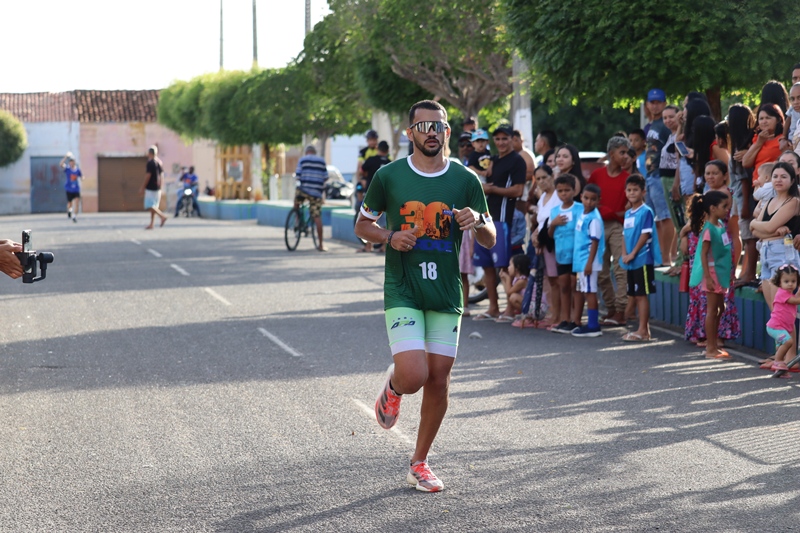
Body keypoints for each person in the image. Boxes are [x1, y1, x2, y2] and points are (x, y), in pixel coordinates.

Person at [354, 100, 495, 493]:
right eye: (424, 126)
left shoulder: (465, 179)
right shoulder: (389, 176)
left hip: (446, 291)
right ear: (410, 133)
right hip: (404, 287)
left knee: (439, 378)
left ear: (447, 132)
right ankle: (395, 386)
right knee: (415, 375)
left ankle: (419, 462)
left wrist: (476, 222)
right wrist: (389, 235)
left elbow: (490, 236)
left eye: (439, 126)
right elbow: (362, 225)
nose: (432, 132)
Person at [471, 125, 526, 320]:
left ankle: (510, 309)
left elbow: (518, 190)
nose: (501, 142)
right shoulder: (492, 160)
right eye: (498, 139)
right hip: (483, 219)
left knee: (504, 267)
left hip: (502, 221)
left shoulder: (517, 161)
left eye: (505, 138)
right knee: (486, 267)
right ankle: (493, 308)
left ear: (512, 139)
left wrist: (492, 190)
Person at [588, 136, 631, 326]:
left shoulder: (627, 178)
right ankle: (611, 308)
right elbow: (588, 199)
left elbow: (631, 206)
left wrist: (612, 212)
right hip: (597, 225)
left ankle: (621, 311)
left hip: (617, 226)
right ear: (611, 154)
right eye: (622, 152)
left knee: (620, 269)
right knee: (601, 270)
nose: (625, 156)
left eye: (627, 153)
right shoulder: (597, 175)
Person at [687, 190, 732, 359]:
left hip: (721, 272)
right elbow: (703, 254)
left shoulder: (720, 225)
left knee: (721, 308)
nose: (727, 210)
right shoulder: (708, 230)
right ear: (713, 208)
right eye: (724, 206)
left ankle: (714, 344)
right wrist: (707, 277)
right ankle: (710, 347)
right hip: (713, 274)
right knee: (712, 310)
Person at [620, 174, 661, 342]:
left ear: (643, 192)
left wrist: (633, 253)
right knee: (635, 295)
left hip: (642, 259)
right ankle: (643, 330)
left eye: (635, 190)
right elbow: (624, 235)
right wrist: (624, 253)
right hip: (631, 261)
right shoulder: (628, 213)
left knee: (641, 295)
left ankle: (643, 330)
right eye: (629, 190)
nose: (632, 193)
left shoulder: (646, 211)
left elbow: (645, 235)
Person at [548, 174, 583, 333]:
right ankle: (565, 319)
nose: (563, 194)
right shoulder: (554, 211)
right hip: (561, 255)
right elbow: (550, 235)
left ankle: (577, 320)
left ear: (574, 191)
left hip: (577, 255)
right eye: (560, 191)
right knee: (564, 286)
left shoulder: (579, 209)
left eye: (567, 190)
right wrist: (553, 224)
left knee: (575, 286)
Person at [727, 104, 758, 287]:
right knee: (747, 236)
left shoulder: (741, 147)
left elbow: (745, 180)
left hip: (745, 199)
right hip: (740, 198)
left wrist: (745, 205)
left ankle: (750, 273)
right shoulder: (743, 144)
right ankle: (746, 271)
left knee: (749, 237)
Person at [571, 183, 605, 337]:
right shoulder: (582, 214)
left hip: (588, 261)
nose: (589, 202)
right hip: (581, 261)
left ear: (598, 200)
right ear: (581, 197)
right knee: (586, 291)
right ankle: (590, 324)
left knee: (590, 292)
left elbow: (595, 242)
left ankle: (593, 326)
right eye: (586, 198)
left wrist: (589, 263)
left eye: (593, 199)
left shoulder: (594, 219)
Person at [763, 265, 800, 376]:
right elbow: (796, 301)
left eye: (793, 281)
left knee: (781, 347)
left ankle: (781, 370)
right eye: (786, 281)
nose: (790, 284)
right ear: (779, 283)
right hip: (776, 327)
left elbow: (796, 297)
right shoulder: (782, 294)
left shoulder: (789, 294)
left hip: (782, 327)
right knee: (788, 342)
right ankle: (778, 362)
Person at [356, 141, 392, 253]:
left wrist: (363, 179)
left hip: (372, 195)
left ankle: (369, 246)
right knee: (385, 222)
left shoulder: (371, 160)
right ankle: (384, 247)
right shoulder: (390, 162)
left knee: (369, 220)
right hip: (386, 195)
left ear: (378, 149)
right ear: (387, 151)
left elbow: (361, 171)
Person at [295, 145, 328, 252]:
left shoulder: (303, 160)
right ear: (314, 152)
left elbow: (298, 176)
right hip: (316, 193)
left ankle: (297, 220)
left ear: (306, 152)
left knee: (296, 202)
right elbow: (326, 177)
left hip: (303, 191)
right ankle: (321, 244)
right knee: (317, 216)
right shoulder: (321, 161)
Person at [742, 103, 785, 180]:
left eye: (768, 118)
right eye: (761, 119)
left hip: (773, 182)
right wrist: (759, 142)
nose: (764, 121)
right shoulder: (758, 138)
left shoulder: (783, 139)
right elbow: (745, 163)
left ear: (778, 119)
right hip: (757, 183)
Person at [140, 146, 168, 229]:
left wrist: (143, 187)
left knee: (149, 205)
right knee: (154, 206)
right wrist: (161, 186)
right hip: (157, 187)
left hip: (151, 187)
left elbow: (148, 175)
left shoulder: (150, 163)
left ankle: (162, 216)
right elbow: (162, 175)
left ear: (150, 153)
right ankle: (152, 224)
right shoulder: (159, 162)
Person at [497, 253, 530, 321]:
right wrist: (503, 279)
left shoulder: (522, 280)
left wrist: (508, 278)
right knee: (512, 297)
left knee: (514, 297)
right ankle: (527, 316)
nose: (508, 268)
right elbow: (508, 291)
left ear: (517, 268)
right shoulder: (517, 279)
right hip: (531, 306)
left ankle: (528, 317)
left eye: (510, 265)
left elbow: (509, 292)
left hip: (537, 309)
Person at [60, 153, 81, 223]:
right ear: (69, 162)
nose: (72, 163)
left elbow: (81, 176)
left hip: (76, 189)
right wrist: (66, 157)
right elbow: (61, 164)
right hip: (69, 189)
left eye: (73, 161)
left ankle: (74, 216)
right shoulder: (67, 169)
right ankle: (69, 211)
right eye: (70, 161)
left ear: (74, 162)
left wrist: (83, 178)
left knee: (77, 202)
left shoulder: (77, 170)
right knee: (70, 203)